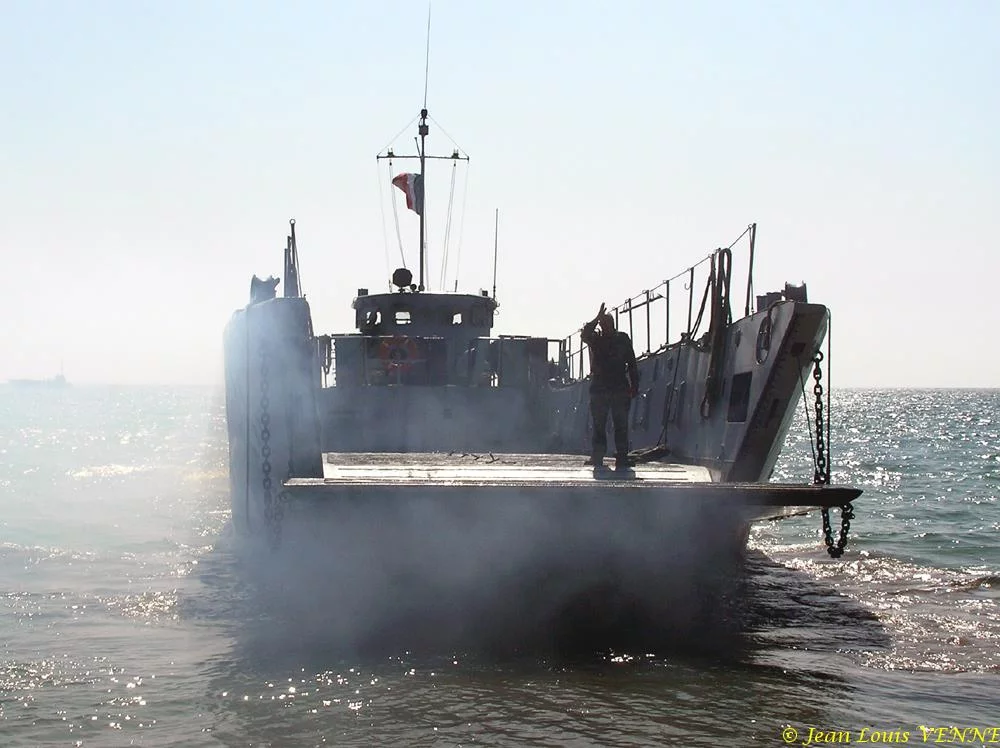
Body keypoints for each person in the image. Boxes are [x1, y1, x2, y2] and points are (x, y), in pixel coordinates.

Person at [581, 303, 639, 470]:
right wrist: (596, 318)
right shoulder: (597, 340)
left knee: (621, 424)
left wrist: (634, 384)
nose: (604, 327)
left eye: (606, 323)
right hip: (600, 387)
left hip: (618, 386)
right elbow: (585, 335)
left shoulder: (622, 339)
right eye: (602, 324)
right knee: (599, 425)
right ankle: (598, 456)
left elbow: (632, 363)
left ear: (612, 325)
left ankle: (622, 457)